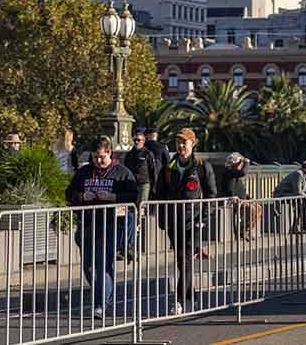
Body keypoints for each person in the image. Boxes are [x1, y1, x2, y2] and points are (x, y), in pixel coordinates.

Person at [66, 136, 138, 318]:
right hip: (88, 223)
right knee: (88, 267)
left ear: (109, 153)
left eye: (102, 157)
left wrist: (112, 197)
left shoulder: (122, 172)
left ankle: (100, 305)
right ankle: (105, 290)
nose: (98, 161)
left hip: (112, 225)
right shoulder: (84, 172)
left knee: (103, 265)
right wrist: (83, 196)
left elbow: (133, 196)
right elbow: (69, 193)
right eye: (95, 157)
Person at [155, 128, 218, 315]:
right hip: (174, 221)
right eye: (178, 142)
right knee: (182, 261)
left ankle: (180, 301)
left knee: (187, 260)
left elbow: (212, 195)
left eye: (185, 142)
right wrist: (162, 219)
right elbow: (160, 195)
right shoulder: (169, 168)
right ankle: (193, 296)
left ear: (193, 144)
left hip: (194, 223)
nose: (181, 146)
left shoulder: (201, 166)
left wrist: (203, 220)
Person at [120, 130, 159, 259]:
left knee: (140, 207)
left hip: (144, 184)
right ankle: (131, 234)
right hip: (132, 184)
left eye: (139, 140)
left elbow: (153, 171)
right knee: (131, 209)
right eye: (135, 140)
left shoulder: (148, 154)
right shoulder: (130, 154)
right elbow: (124, 169)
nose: (136, 142)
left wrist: (154, 187)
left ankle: (137, 228)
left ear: (143, 141)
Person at [272, 158, 306, 233]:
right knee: (305, 201)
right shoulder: (299, 174)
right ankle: (305, 226)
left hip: (292, 195)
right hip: (281, 195)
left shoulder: (305, 175)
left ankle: (303, 225)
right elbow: (298, 192)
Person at [223, 153, 261, 241]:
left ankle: (246, 230)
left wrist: (248, 197)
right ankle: (242, 231)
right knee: (252, 209)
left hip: (241, 200)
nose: (242, 165)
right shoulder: (228, 171)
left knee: (258, 208)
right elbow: (243, 172)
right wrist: (247, 163)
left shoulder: (236, 174)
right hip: (231, 201)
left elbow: (241, 189)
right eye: (241, 164)